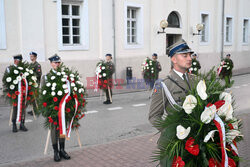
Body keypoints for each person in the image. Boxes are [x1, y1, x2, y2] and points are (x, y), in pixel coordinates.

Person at [148, 40, 196, 167]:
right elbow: (153, 116)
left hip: (195, 142)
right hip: (175, 144)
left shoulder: (196, 80)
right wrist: (170, 131)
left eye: (190, 55)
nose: (189, 58)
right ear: (174, 59)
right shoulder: (164, 84)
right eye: (185, 56)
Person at [41, 54, 70, 162]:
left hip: (63, 108)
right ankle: (55, 151)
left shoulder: (64, 76)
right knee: (54, 129)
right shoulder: (46, 77)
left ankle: (62, 149)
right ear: (51, 64)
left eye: (58, 62)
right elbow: (42, 94)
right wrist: (46, 108)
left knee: (62, 127)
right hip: (52, 108)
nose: (57, 64)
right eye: (55, 62)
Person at [3, 55, 28, 132]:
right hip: (14, 92)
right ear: (15, 60)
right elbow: (5, 80)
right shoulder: (9, 69)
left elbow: (27, 79)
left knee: (23, 108)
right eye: (18, 60)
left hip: (23, 92)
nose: (20, 62)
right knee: (15, 108)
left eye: (21, 60)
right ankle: (14, 124)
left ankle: (22, 124)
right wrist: (10, 89)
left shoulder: (23, 69)